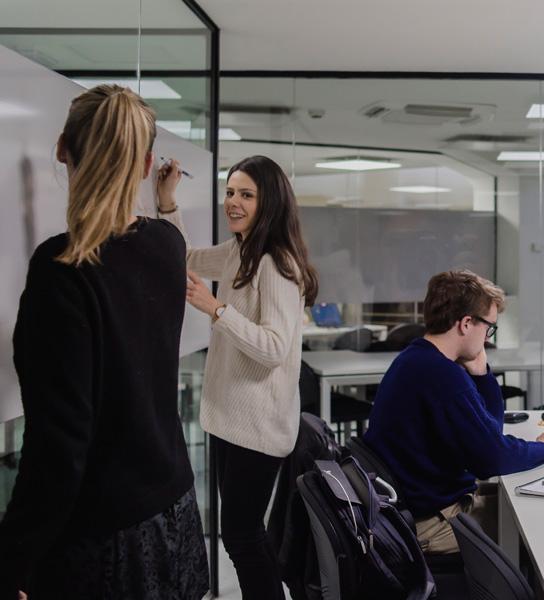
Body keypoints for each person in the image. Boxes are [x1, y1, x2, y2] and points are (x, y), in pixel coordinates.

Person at [0, 85, 208, 599]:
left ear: (61, 148)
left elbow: (59, 445)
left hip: (105, 539)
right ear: (145, 165)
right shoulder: (167, 244)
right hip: (175, 511)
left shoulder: (63, 271)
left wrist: (13, 559)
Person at [157, 155, 319, 598]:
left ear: (269, 202)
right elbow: (184, 257)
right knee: (242, 535)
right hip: (231, 418)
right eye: (230, 192)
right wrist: (168, 202)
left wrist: (216, 309)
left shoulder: (277, 263)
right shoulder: (240, 250)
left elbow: (274, 348)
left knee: (243, 536)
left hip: (259, 425)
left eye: (246, 194)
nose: (233, 202)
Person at [364, 270, 544, 554]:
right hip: (431, 524)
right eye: (489, 328)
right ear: (466, 324)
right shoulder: (443, 376)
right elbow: (492, 459)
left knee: (522, 501)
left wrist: (481, 374)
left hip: (412, 510)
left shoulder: (416, 358)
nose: (488, 338)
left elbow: (489, 435)